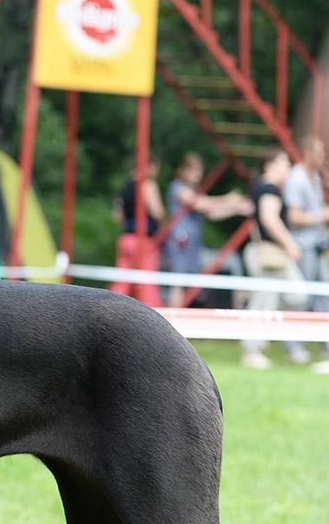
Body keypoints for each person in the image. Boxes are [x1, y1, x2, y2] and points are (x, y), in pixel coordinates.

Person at [240, 147, 306, 370]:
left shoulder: (259, 186)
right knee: (271, 300)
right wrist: (290, 243)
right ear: (271, 164)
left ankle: (255, 347)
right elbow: (269, 219)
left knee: (279, 297)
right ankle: (252, 351)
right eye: (284, 162)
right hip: (270, 254)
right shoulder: (269, 189)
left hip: (266, 254)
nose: (288, 167)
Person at [163, 152, 253, 307]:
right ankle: (173, 314)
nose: (197, 174)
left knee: (229, 263)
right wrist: (228, 199)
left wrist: (236, 208)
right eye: (193, 170)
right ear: (183, 170)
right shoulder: (178, 188)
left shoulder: (196, 191)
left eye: (199, 170)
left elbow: (212, 212)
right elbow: (200, 204)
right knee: (177, 283)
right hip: (180, 244)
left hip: (194, 248)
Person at [282, 134, 329, 366]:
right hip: (302, 246)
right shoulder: (297, 178)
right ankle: (294, 346)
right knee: (301, 296)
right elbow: (294, 217)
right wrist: (322, 216)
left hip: (318, 244)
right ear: (308, 153)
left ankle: (324, 343)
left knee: (324, 294)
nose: (323, 158)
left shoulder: (315, 177)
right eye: (319, 153)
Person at [110, 157, 164, 305]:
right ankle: (152, 314)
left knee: (122, 282)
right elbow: (157, 212)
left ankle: (110, 308)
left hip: (126, 239)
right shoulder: (148, 184)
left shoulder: (125, 187)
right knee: (147, 284)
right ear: (149, 166)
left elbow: (117, 217)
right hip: (144, 240)